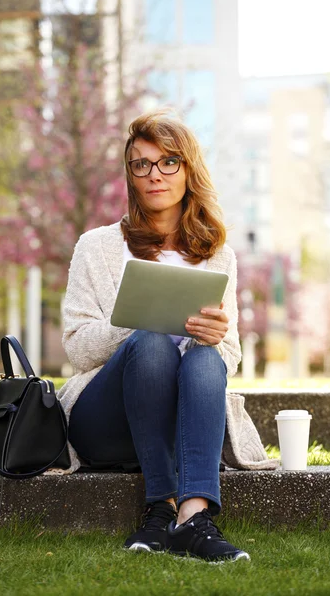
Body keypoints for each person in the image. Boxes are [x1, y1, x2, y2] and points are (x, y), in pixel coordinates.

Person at [58, 111, 250, 563]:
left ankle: (192, 518)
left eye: (167, 162)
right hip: (107, 420)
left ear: (188, 169)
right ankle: (158, 508)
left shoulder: (218, 255)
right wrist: (137, 319)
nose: (153, 174)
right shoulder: (97, 247)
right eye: (140, 164)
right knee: (151, 342)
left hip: (182, 422)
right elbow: (77, 347)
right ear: (131, 174)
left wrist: (217, 337)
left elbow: (232, 355)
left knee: (207, 356)